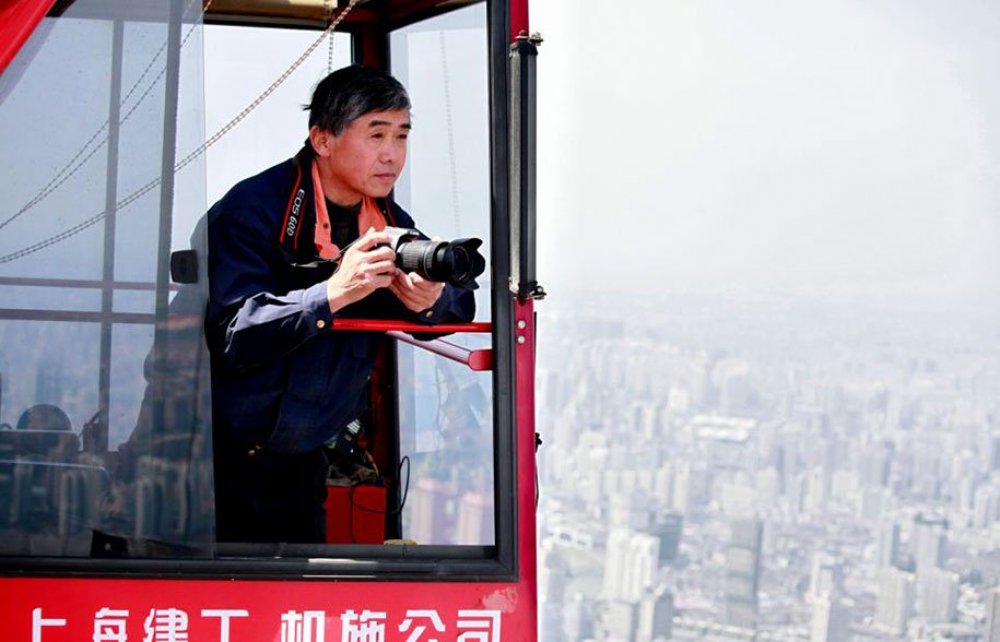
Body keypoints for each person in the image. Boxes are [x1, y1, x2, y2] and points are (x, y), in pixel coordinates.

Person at [205, 65, 475, 543]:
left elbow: (457, 304)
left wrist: (430, 301)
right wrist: (332, 293)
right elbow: (233, 334)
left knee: (291, 612)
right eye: (376, 135)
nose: (392, 155)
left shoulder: (388, 221)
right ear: (322, 140)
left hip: (302, 460)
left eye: (401, 136)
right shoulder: (254, 210)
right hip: (213, 459)